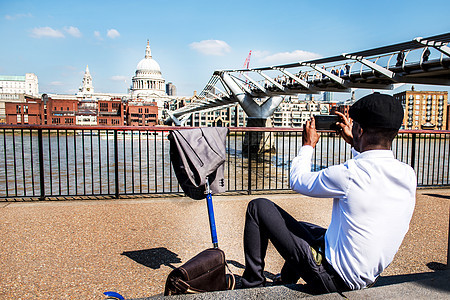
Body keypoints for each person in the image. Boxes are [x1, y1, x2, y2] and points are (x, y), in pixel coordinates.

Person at [241, 92, 416, 294]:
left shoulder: (350, 175)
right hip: (367, 276)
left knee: (258, 207)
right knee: (304, 228)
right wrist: (355, 143)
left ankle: (252, 285)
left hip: (332, 278)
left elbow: (298, 181)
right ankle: (286, 280)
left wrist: (308, 145)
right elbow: (370, 165)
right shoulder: (408, 174)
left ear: (358, 129)